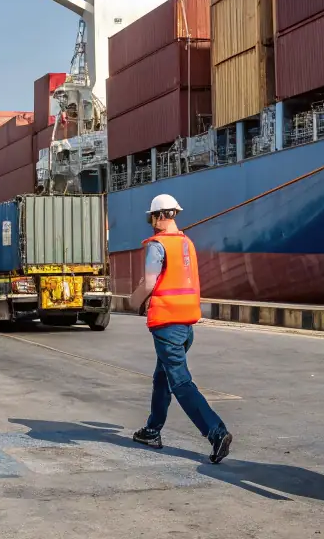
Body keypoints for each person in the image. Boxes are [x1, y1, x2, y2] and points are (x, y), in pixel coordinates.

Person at [128, 194, 232, 463]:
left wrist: (133, 301)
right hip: (187, 324)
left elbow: (150, 283)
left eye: (151, 217)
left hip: (167, 324)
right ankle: (152, 430)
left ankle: (216, 432)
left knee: (181, 383)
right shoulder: (187, 244)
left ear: (159, 216)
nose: (150, 222)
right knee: (162, 377)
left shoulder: (157, 245)